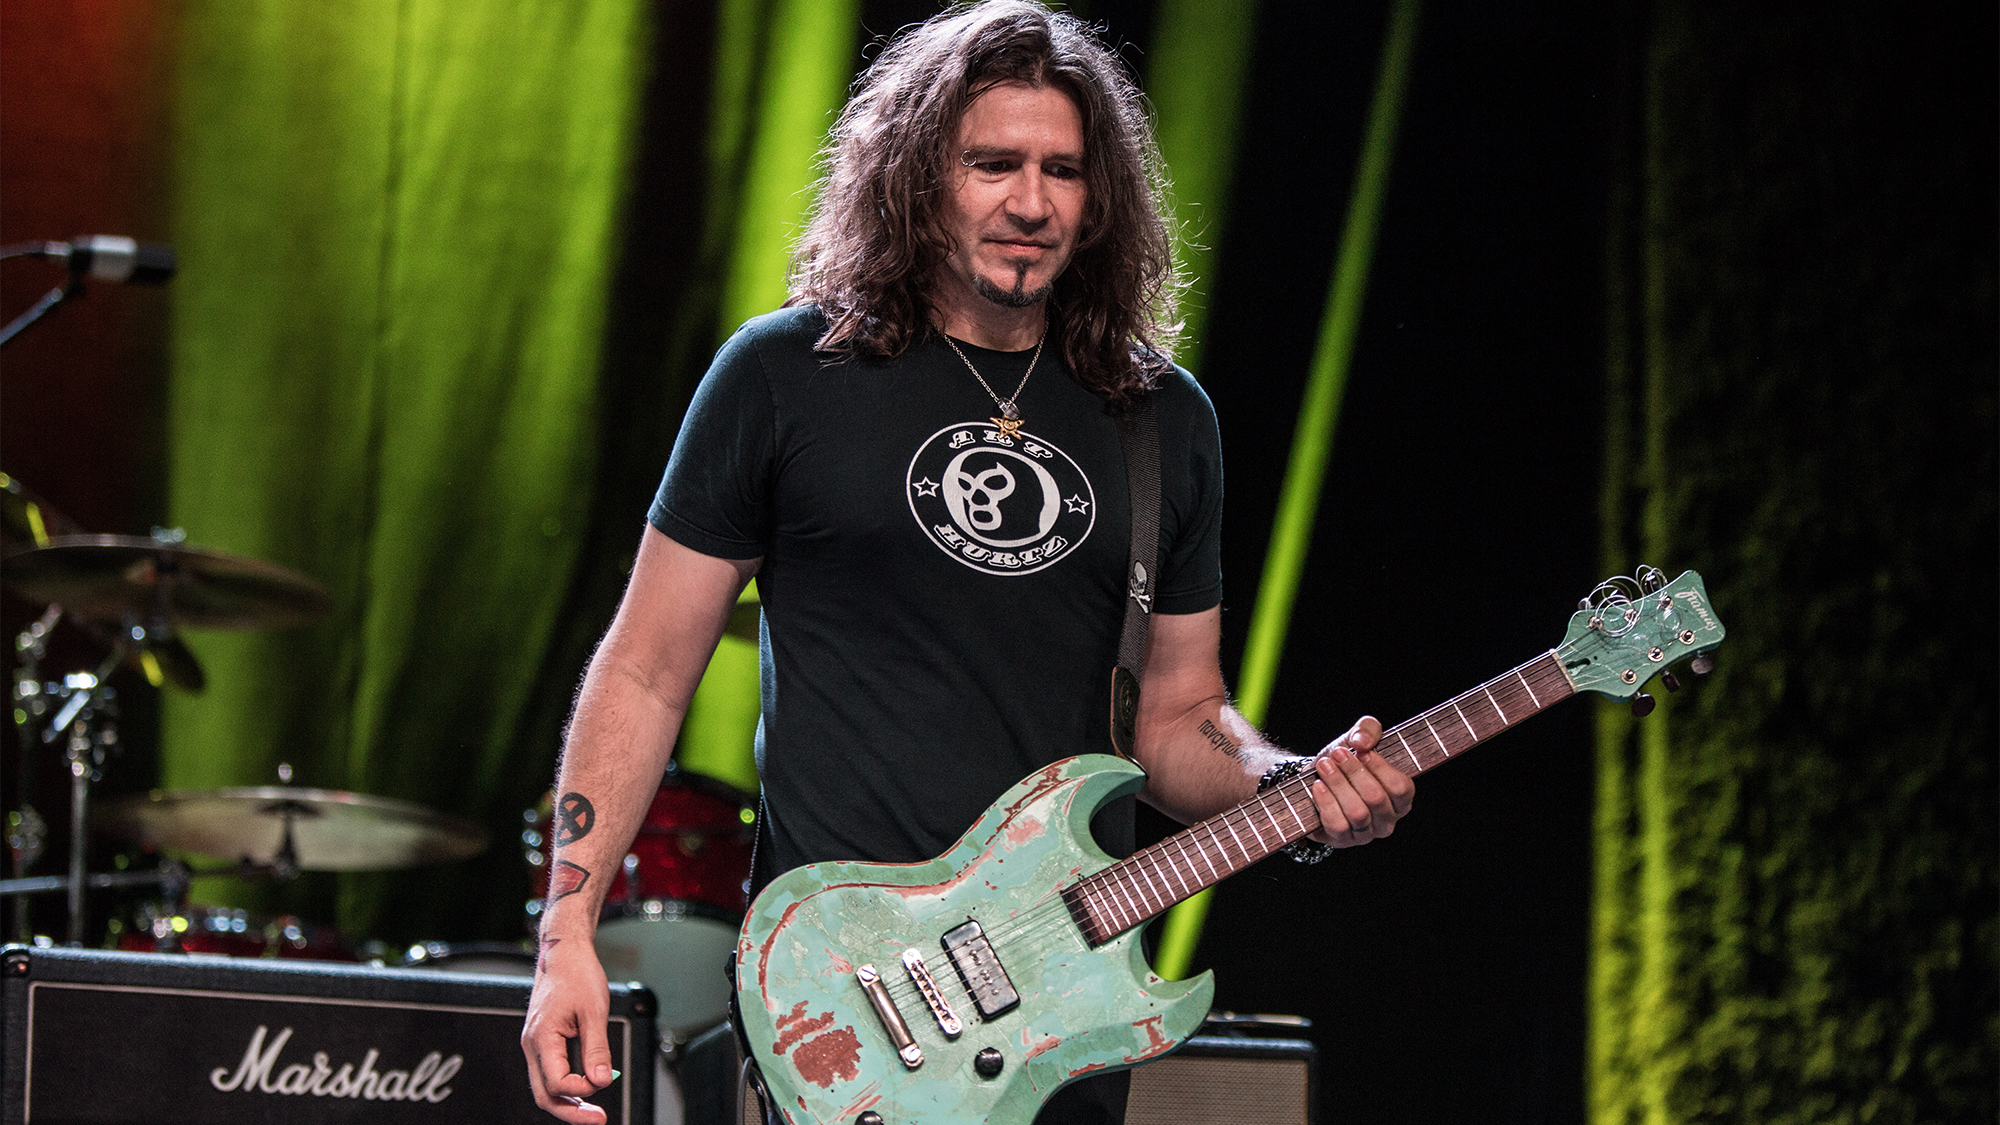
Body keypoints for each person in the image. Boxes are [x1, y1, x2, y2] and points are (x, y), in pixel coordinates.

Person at [522, 3, 1415, 1122]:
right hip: (846, 1004)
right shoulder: (786, 374)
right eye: (992, 163)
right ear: (915, 177)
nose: (1030, 203)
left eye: (1062, 171)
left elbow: (1179, 717)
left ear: (1100, 202)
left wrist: (1290, 783)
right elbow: (647, 668)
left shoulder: (1157, 419)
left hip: (1060, 1004)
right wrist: (565, 938)